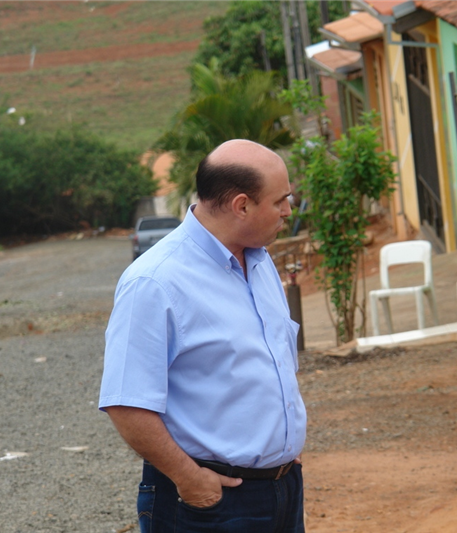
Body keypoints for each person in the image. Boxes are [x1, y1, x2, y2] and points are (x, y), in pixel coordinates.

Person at [99, 139, 307, 533]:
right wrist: (191, 480)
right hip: (209, 503)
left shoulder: (259, 262)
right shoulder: (155, 282)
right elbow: (126, 404)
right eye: (281, 199)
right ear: (241, 205)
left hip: (282, 491)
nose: (288, 210)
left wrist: (281, 449)